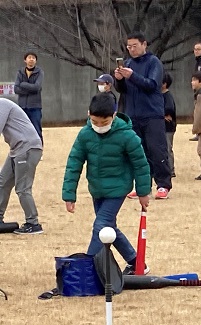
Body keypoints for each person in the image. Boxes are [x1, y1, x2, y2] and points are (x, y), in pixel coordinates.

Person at [62, 93, 151, 275]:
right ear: (89, 115)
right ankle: (137, 262)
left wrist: (143, 191)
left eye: (105, 122)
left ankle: (89, 268)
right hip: (97, 189)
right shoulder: (85, 135)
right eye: (95, 122)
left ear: (114, 116)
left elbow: (141, 164)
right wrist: (69, 194)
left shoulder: (127, 135)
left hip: (118, 189)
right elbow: (74, 163)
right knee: (109, 228)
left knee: (100, 226)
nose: (100, 126)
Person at [114, 31, 172, 200]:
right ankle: (143, 186)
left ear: (144, 44)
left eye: (135, 46)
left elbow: (151, 84)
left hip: (152, 113)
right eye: (129, 47)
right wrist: (119, 79)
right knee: (139, 153)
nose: (131, 49)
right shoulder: (128, 63)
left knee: (157, 150)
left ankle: (163, 184)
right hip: (133, 115)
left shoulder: (154, 63)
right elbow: (123, 90)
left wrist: (132, 76)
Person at [0, 98, 43, 234]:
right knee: (2, 182)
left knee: (22, 188)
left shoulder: (2, 105)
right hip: (17, 149)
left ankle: (33, 223)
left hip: (27, 147)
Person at [14, 51, 44, 144]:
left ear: (36, 61)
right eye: (29, 57)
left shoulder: (40, 72)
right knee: (23, 130)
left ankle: (39, 150)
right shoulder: (20, 72)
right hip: (22, 106)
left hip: (35, 106)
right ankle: (25, 150)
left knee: (36, 129)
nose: (31, 59)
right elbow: (16, 89)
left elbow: (37, 87)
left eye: (33, 58)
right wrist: (30, 89)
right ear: (25, 60)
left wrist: (23, 84)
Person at [162, 71, 177, 178]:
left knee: (168, 148)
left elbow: (169, 108)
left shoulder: (167, 95)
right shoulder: (159, 95)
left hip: (168, 127)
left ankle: (171, 169)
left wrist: (161, 114)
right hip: (161, 126)